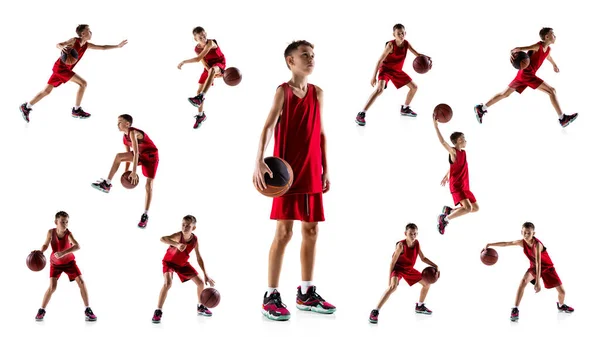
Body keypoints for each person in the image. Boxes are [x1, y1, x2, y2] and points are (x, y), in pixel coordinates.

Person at [252, 40, 335, 321]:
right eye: (304, 56)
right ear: (290, 61)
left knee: (311, 231)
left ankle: (306, 292)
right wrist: (258, 160)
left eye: (313, 55)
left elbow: (321, 134)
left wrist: (326, 169)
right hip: (285, 174)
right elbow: (266, 127)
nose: (311, 59)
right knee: (284, 234)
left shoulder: (318, 93)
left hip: (311, 170)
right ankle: (270, 295)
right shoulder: (283, 92)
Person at [20, 24, 127, 122]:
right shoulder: (74, 40)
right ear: (83, 33)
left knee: (47, 91)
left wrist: (117, 46)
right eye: (89, 31)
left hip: (61, 69)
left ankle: (26, 107)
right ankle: (76, 110)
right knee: (83, 83)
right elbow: (58, 44)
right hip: (61, 68)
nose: (91, 32)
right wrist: (63, 47)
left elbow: (103, 47)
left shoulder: (87, 45)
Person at [474, 27, 578, 128]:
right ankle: (562, 119)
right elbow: (520, 49)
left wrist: (554, 65)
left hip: (522, 75)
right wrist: (513, 52)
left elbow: (548, 56)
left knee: (504, 94)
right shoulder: (538, 46)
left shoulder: (548, 49)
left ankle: (481, 108)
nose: (555, 36)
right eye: (553, 34)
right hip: (527, 75)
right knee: (552, 91)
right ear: (546, 37)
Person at [484, 222, 574, 321]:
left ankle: (561, 305)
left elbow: (539, 262)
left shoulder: (537, 244)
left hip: (547, 267)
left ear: (533, 233)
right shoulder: (522, 242)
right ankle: (515, 309)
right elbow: (507, 243)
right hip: (534, 267)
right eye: (524, 233)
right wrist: (490, 244)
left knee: (562, 292)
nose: (526, 235)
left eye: (529, 233)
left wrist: (537, 282)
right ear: (521, 232)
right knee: (523, 281)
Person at [91, 114, 159, 228]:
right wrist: (125, 172)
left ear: (127, 124)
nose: (117, 124)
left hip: (151, 157)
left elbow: (136, 152)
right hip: (140, 156)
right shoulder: (124, 137)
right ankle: (107, 184)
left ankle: (145, 215)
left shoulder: (133, 133)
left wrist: (134, 172)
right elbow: (129, 157)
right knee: (119, 156)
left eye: (120, 122)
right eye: (117, 122)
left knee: (149, 185)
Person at [355, 23, 430, 126]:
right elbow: (380, 60)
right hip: (385, 70)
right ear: (394, 35)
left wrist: (427, 59)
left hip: (397, 71)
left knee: (414, 87)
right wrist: (373, 76)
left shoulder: (407, 44)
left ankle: (405, 108)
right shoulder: (390, 45)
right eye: (398, 33)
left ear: (405, 33)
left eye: (403, 33)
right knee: (379, 90)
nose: (401, 35)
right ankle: (361, 113)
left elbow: (417, 55)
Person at [368, 223, 439, 324]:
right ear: (405, 233)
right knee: (393, 287)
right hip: (397, 269)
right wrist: (389, 279)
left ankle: (419, 306)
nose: (413, 236)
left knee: (427, 284)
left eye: (415, 234)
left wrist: (435, 265)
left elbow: (423, 258)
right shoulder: (401, 245)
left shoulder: (417, 243)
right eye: (411, 234)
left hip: (409, 269)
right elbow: (392, 262)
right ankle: (375, 311)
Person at [151, 215, 216, 323]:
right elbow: (162, 238)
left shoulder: (195, 239)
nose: (185, 228)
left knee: (200, 283)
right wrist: (176, 244)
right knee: (168, 283)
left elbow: (199, 257)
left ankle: (200, 306)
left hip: (182, 264)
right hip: (169, 263)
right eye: (183, 225)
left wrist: (205, 274)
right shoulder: (178, 235)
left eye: (188, 226)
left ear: (193, 228)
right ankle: (158, 311)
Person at [34, 211, 97, 322]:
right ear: (56, 222)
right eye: (62, 222)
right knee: (52, 288)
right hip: (55, 264)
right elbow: (45, 244)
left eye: (67, 222)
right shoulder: (50, 232)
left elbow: (77, 246)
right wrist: (41, 251)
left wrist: (63, 253)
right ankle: (41, 310)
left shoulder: (68, 234)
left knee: (82, 282)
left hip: (69, 263)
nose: (65, 224)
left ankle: (87, 309)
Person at [434, 115, 479, 234]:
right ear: (458, 141)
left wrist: (446, 174)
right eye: (463, 138)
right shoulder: (453, 152)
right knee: (468, 208)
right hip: (457, 185)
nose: (465, 140)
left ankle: (450, 211)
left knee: (475, 208)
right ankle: (444, 219)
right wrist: (435, 126)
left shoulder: (463, 152)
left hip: (465, 186)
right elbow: (443, 142)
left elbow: (455, 166)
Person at [178, 26, 226, 129]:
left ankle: (201, 97)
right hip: (209, 66)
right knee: (198, 90)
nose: (203, 38)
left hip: (219, 63)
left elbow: (198, 59)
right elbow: (203, 61)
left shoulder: (211, 43)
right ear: (195, 39)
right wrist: (211, 74)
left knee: (212, 71)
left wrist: (183, 62)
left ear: (206, 33)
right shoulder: (196, 48)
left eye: (204, 35)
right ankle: (200, 116)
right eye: (200, 37)